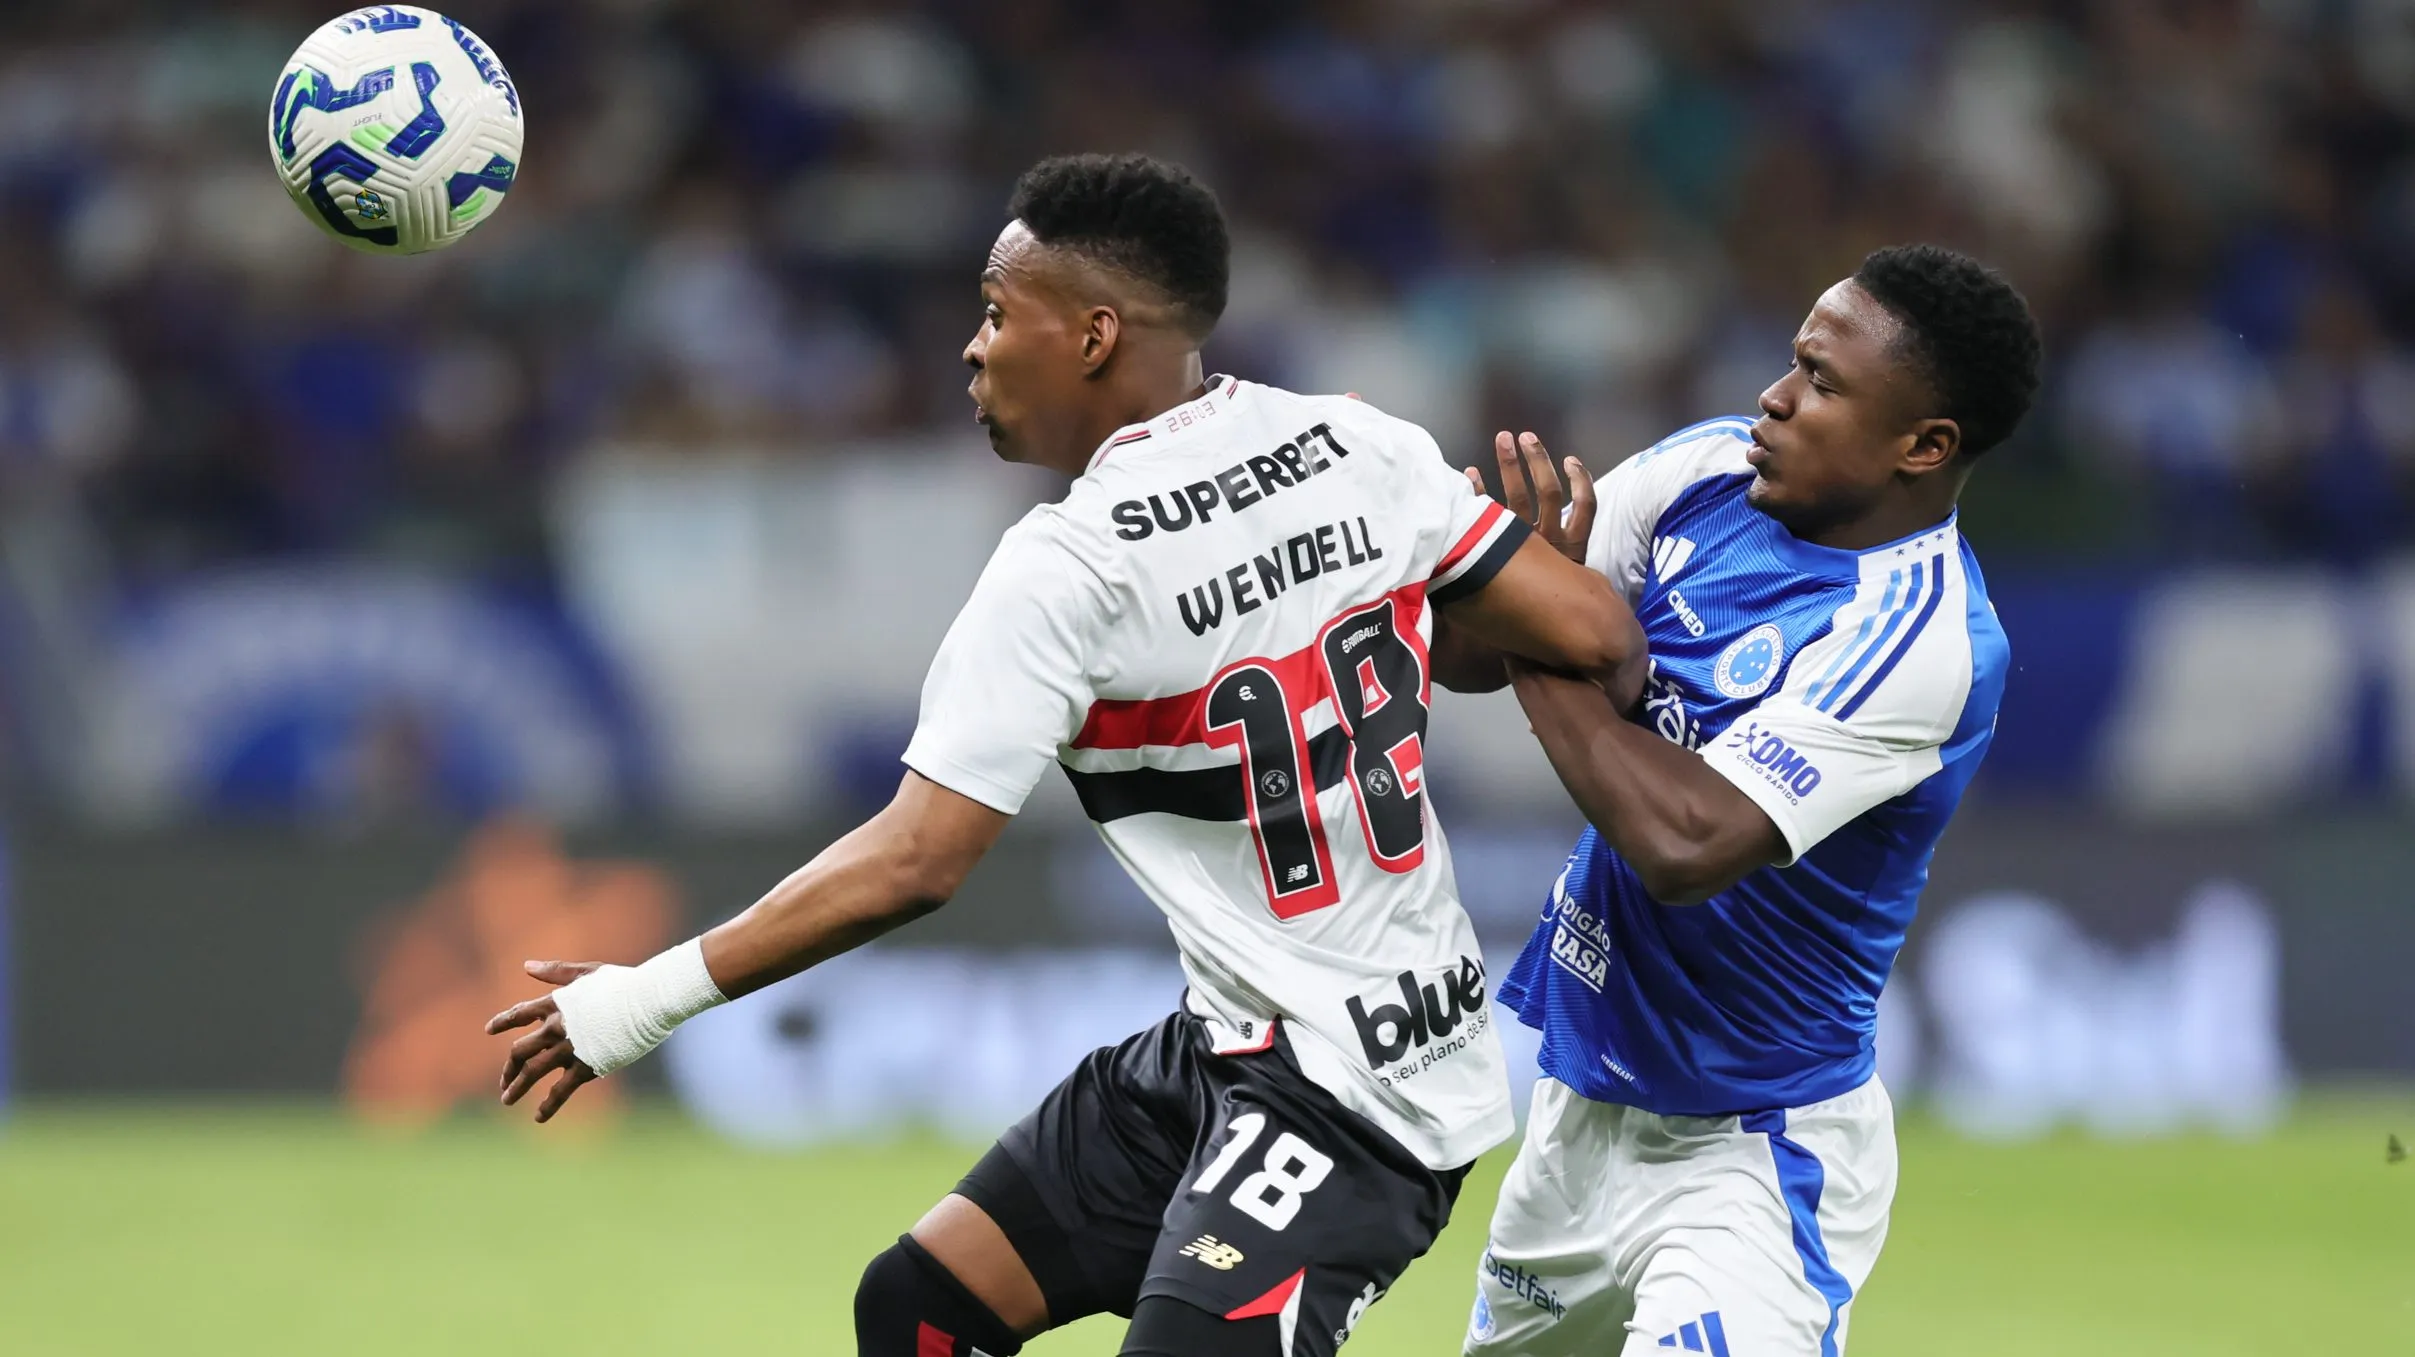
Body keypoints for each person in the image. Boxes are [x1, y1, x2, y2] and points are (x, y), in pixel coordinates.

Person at [486, 153, 1645, 1357]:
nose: (973, 349)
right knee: (922, 1307)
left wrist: (636, 1003)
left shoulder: (1073, 566)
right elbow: (1590, 635)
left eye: (996, 312)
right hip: (1256, 1041)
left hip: (1350, 1097)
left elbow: (917, 860)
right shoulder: (1356, 444)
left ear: (1094, 335)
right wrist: (1449, 610)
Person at [1455, 246, 2041, 1356]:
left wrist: (1546, 644)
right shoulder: (1708, 474)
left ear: (1924, 446)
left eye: (1823, 383)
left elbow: (1686, 837)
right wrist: (1522, 607)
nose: (1774, 398)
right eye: (1792, 363)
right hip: (1581, 1114)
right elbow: (1465, 653)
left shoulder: (1919, 637)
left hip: (1753, 1156)